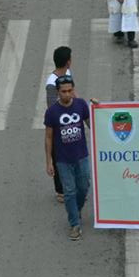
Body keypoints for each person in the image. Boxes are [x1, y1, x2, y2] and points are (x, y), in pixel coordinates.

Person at [44, 76, 91, 240]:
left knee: (84, 186)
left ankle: (76, 209)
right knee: (69, 192)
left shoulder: (81, 105)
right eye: (63, 91)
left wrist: (99, 109)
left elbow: (91, 124)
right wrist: (49, 161)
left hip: (82, 156)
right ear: (58, 92)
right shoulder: (52, 112)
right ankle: (74, 224)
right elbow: (49, 137)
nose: (67, 94)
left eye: (70, 91)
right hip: (63, 160)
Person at [45, 45, 73, 202]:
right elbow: (51, 107)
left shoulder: (67, 74)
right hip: (58, 125)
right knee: (58, 157)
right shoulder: (51, 83)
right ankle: (60, 190)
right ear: (68, 62)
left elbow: (73, 92)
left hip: (70, 121)